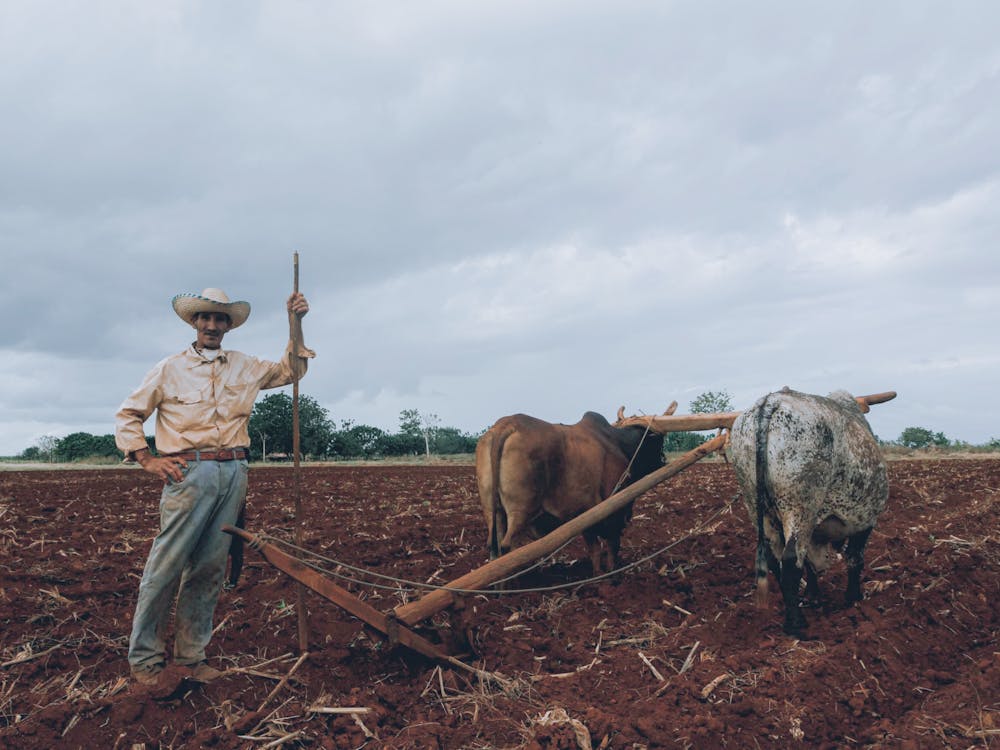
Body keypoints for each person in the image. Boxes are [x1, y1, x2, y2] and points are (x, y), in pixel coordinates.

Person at [115, 287, 313, 689]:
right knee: (166, 566)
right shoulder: (169, 369)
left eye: (220, 319)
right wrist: (148, 459)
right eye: (204, 318)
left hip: (234, 472)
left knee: (208, 568)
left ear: (228, 325)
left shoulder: (245, 366)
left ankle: (191, 657)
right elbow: (129, 414)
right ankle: (147, 660)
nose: (212, 325)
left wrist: (296, 322)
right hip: (189, 474)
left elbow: (292, 370)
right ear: (194, 323)